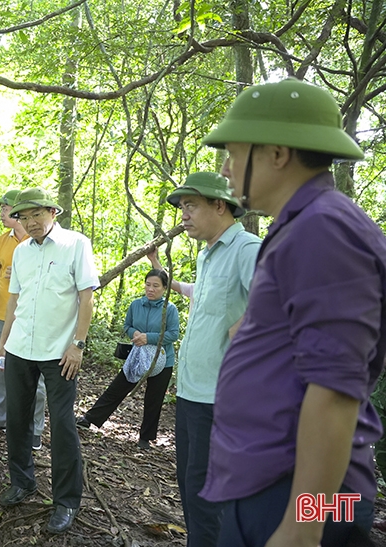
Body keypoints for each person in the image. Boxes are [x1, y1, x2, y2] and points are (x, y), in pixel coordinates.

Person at [199, 78, 386, 547]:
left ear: (277, 153)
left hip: (299, 495)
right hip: (278, 483)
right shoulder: (305, 225)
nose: (226, 166)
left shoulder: (324, 230)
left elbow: (336, 387)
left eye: (235, 152)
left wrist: (303, 529)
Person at [0, 187, 99, 534]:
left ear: (53, 212)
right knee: (18, 419)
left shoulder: (76, 244)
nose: (32, 222)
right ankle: (22, 482)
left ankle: (66, 501)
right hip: (22, 347)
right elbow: (14, 301)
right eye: (25, 216)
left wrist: (78, 345)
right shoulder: (22, 251)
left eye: (38, 214)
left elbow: (86, 298)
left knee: (63, 425)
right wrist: (4, 344)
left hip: (59, 353)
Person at [165, 172, 261, 547]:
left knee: (209, 495)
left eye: (191, 206)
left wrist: (248, 327)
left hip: (222, 398)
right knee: (190, 485)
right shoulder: (207, 255)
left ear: (219, 205)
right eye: (182, 207)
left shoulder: (247, 248)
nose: (184, 215)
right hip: (192, 391)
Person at [0, 189, 48, 451]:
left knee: (34, 376)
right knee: (0, 367)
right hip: (0, 314)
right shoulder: (2, 240)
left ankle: (35, 428)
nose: (2, 212)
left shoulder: (38, 238)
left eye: (5, 207)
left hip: (29, 318)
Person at [76, 269, 179, 450]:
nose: (151, 289)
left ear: (164, 288)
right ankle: (90, 419)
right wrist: (135, 333)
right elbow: (127, 326)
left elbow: (173, 334)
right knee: (117, 388)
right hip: (138, 357)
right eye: (148, 285)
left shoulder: (169, 309)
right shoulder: (136, 305)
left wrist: (149, 337)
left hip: (162, 361)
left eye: (156, 286)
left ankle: (145, 438)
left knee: (154, 399)